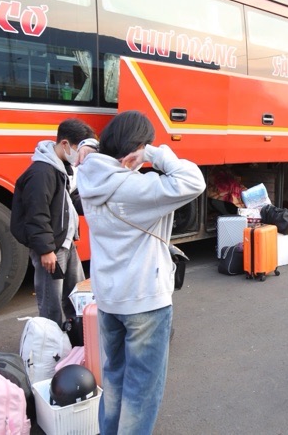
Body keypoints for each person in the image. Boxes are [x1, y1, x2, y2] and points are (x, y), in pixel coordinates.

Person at [77, 111, 206, 433]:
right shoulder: (135, 188)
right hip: (144, 300)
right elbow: (193, 180)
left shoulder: (87, 174)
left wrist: (93, 144)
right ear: (136, 146)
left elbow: (93, 152)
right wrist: (153, 153)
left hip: (108, 299)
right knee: (142, 391)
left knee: (115, 379)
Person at [10, 118, 98, 327]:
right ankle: (51, 347)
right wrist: (46, 251)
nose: (82, 154)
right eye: (80, 148)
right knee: (51, 302)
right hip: (53, 249)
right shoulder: (42, 172)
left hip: (65, 243)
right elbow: (36, 215)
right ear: (65, 144)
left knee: (76, 295)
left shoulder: (61, 168)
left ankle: (75, 335)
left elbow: (68, 201)